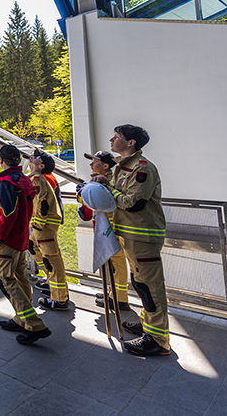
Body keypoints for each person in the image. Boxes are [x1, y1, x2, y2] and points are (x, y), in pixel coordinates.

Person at [91, 125, 169, 356]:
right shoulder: (123, 167)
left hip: (143, 236)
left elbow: (133, 202)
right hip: (129, 235)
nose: (112, 139)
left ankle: (157, 340)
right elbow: (118, 195)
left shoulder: (142, 168)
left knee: (150, 287)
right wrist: (104, 183)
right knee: (140, 284)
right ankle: (148, 326)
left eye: (117, 137)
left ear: (131, 142)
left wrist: (107, 188)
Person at [0, 144, 51, 345]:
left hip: (8, 240)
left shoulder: (6, 182)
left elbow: (7, 213)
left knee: (4, 279)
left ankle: (35, 325)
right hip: (20, 238)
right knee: (21, 278)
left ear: (1, 161)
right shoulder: (23, 180)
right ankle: (21, 319)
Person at [78, 150, 131, 311]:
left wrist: (80, 193)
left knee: (117, 262)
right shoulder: (103, 180)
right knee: (112, 263)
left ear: (106, 166)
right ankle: (111, 293)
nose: (91, 164)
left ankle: (119, 299)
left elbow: (93, 201)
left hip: (111, 228)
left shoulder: (107, 182)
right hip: (105, 227)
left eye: (94, 162)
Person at [28, 150, 69, 311]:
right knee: (34, 248)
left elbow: (42, 205)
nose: (32, 158)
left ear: (41, 166)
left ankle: (60, 299)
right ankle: (52, 282)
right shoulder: (37, 178)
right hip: (41, 227)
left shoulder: (38, 179)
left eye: (36, 158)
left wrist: (37, 225)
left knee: (51, 261)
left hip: (44, 227)